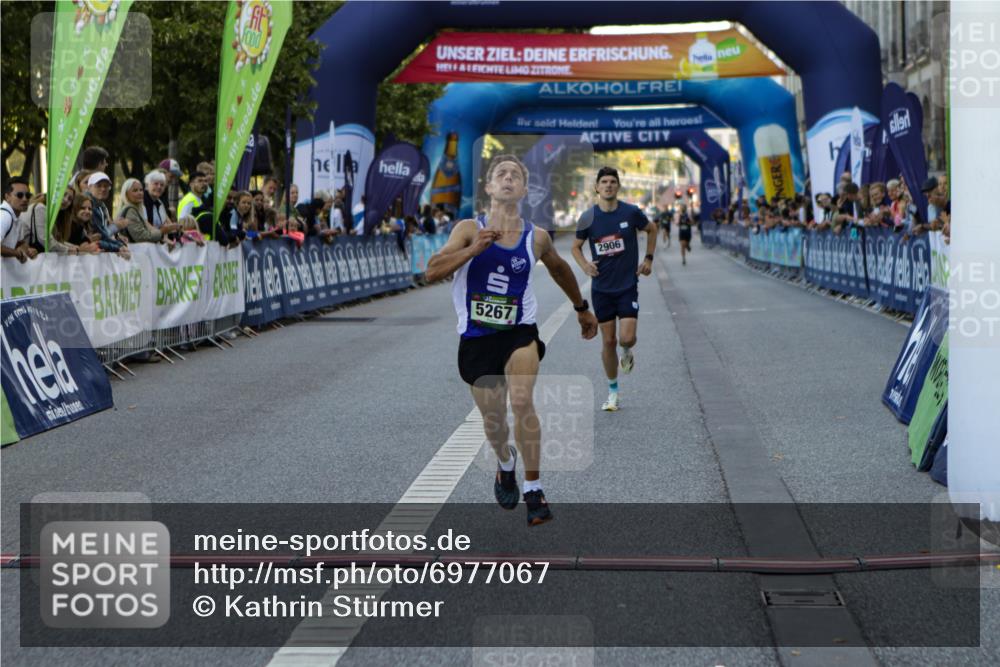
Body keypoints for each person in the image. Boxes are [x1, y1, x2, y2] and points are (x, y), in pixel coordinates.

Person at [424, 154, 598, 526]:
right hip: (477, 336)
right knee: (494, 421)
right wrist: (473, 250)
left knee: (521, 400)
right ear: (489, 187)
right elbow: (431, 271)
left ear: (523, 189)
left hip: (520, 331)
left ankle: (534, 489)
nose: (507, 178)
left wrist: (582, 308)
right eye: (500, 174)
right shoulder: (468, 229)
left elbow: (559, 268)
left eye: (515, 175)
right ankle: (505, 462)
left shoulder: (536, 237)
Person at [571, 166, 656, 413]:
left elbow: (652, 229)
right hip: (602, 289)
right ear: (597, 187)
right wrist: (585, 265)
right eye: (604, 182)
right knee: (608, 341)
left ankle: (626, 351)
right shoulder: (588, 217)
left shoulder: (631, 212)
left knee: (626, 338)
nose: (608, 185)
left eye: (612, 181)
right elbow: (575, 247)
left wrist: (648, 259)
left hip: (627, 286)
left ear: (618, 186)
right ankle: (613, 392)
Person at [119, 178, 178, 243]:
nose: (139, 193)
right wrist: (162, 231)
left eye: (141, 190)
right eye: (135, 190)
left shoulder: (156, 204)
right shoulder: (130, 211)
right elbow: (141, 237)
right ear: (126, 194)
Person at [2, 178, 38, 262]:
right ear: (7, 197)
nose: (25, 199)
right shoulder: (4, 216)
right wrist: (17, 254)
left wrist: (29, 251)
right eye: (19, 195)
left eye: (28, 195)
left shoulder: (17, 216)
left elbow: (20, 243)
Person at [177, 171, 212, 237]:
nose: (204, 183)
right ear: (191, 184)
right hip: (193, 240)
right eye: (200, 181)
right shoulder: (190, 201)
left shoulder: (198, 199)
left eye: (205, 181)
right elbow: (183, 224)